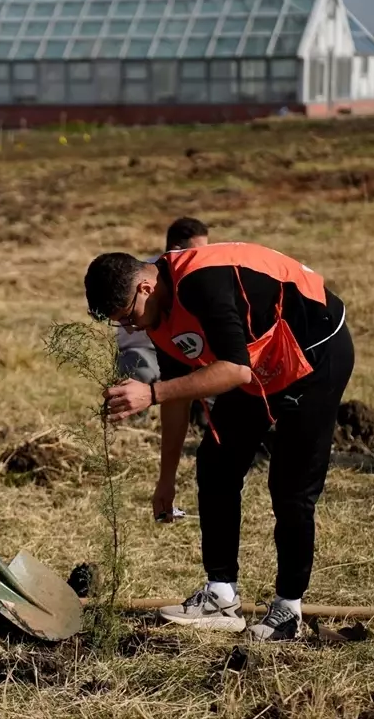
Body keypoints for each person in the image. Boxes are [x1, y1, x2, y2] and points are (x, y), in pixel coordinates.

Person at [83, 242, 353, 641]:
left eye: (127, 317)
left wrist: (150, 393)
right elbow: (176, 392)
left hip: (314, 352)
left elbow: (235, 371)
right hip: (261, 360)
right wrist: (166, 479)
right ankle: (221, 596)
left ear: (144, 287)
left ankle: (288, 611)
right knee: (215, 463)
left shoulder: (202, 283)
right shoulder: (156, 313)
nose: (129, 329)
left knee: (289, 486)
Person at [115, 217, 209, 415]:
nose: (203, 256)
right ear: (176, 248)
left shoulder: (203, 279)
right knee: (135, 369)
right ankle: (132, 419)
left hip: (188, 351)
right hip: (146, 351)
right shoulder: (140, 276)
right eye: (197, 250)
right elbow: (127, 331)